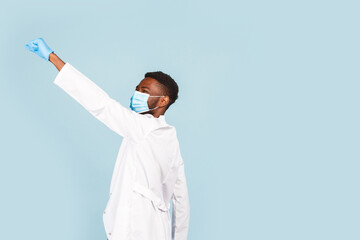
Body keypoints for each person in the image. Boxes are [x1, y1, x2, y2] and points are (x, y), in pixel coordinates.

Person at [25, 38, 190, 240]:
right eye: (137, 88)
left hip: (135, 230)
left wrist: (53, 58)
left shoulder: (143, 127)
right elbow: (181, 199)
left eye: (144, 91)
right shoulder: (170, 138)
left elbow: (101, 104)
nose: (137, 93)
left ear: (163, 100)